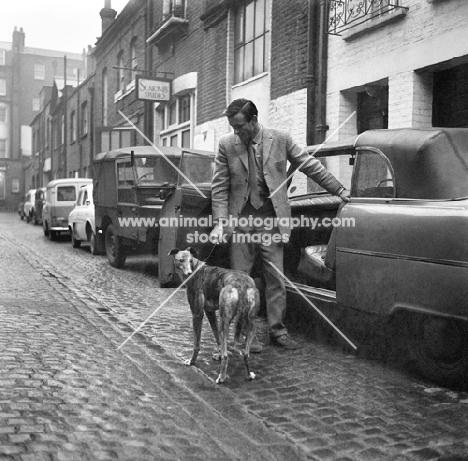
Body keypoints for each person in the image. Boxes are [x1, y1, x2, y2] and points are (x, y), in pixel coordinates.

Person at [209, 99, 350, 350]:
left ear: (253, 120)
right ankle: (243, 335)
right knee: (241, 281)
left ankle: (277, 331)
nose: (236, 132)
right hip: (240, 223)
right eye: (232, 127)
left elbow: (310, 166)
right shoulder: (226, 145)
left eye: (240, 126)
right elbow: (219, 187)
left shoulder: (281, 139)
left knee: (276, 278)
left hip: (272, 222)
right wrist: (220, 223)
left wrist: (339, 189)